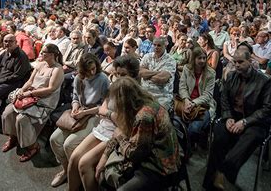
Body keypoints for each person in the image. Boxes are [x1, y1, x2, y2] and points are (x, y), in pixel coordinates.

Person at [66, 55, 140, 191]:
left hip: (117, 133)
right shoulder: (115, 86)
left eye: (123, 74)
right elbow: (102, 108)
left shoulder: (136, 94)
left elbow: (123, 124)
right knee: (74, 158)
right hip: (105, 126)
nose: (119, 78)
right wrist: (109, 114)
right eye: (117, 74)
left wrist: (107, 113)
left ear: (134, 75)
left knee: (84, 163)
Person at [204, 49, 271, 189]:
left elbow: (267, 109)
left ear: (250, 62)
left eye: (241, 62)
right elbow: (224, 98)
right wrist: (228, 116)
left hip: (254, 120)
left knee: (249, 138)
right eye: (234, 62)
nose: (236, 65)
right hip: (233, 116)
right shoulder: (231, 76)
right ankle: (210, 183)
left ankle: (223, 172)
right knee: (220, 136)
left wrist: (245, 122)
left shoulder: (265, 81)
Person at [96, 77, 180, 190]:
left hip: (160, 166)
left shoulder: (144, 116)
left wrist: (120, 137)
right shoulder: (141, 104)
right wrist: (105, 156)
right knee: (106, 171)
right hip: (149, 155)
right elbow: (122, 130)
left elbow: (136, 154)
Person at [50, 53, 109, 187]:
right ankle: (67, 170)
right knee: (54, 140)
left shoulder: (103, 78)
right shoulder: (79, 78)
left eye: (94, 68)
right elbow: (75, 97)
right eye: (88, 70)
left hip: (95, 115)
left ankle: (77, 174)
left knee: (69, 144)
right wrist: (75, 107)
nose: (92, 72)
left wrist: (85, 112)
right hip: (81, 112)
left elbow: (105, 106)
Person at [1, 43, 64, 162]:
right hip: (30, 96)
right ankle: (13, 137)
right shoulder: (40, 65)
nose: (40, 53)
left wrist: (29, 94)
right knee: (8, 112)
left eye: (44, 52)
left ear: (51, 55)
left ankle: (33, 146)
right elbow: (30, 82)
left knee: (22, 119)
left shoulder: (57, 69)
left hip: (45, 101)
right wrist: (21, 91)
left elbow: (50, 89)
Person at [178, 47, 216, 145]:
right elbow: (182, 87)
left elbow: (208, 95)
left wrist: (193, 103)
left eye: (204, 58)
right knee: (175, 124)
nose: (202, 61)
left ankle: (187, 150)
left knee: (193, 129)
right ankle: (183, 147)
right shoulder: (187, 69)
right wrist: (186, 100)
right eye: (199, 58)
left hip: (203, 105)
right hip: (186, 102)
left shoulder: (211, 73)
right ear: (193, 59)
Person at [139, 36, 177, 112]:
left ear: (165, 46)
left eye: (159, 45)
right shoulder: (147, 56)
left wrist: (147, 74)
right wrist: (158, 72)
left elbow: (160, 79)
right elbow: (140, 73)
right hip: (144, 93)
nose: (156, 47)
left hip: (161, 96)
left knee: (149, 115)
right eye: (154, 45)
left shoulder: (170, 60)